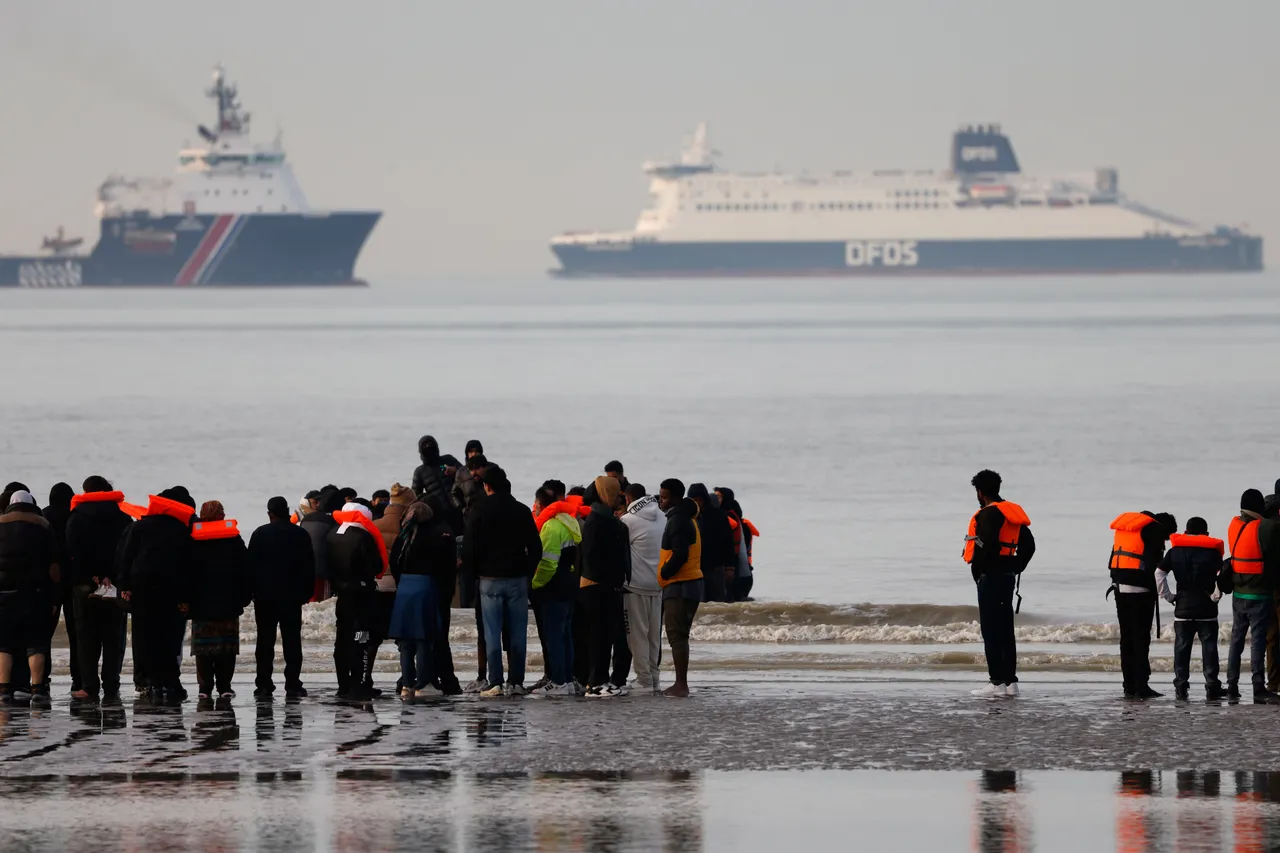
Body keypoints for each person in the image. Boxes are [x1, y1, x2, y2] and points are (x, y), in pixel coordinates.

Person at [462, 466, 541, 697]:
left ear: (487, 486)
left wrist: (474, 575)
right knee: (518, 633)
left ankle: (495, 681)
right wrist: (528, 572)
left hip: (489, 580)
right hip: (517, 579)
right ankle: (516, 682)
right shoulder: (521, 510)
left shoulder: (478, 510)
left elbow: (468, 549)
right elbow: (536, 547)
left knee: (491, 631)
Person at [115, 489, 195, 703]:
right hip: (172, 592)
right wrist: (187, 597)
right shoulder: (181, 530)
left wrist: (124, 587)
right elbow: (189, 568)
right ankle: (170, 683)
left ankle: (149, 683)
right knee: (169, 638)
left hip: (141, 591)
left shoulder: (138, 526)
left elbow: (124, 559)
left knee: (144, 638)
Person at [964, 470, 1034, 699]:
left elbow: (987, 545)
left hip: (991, 578)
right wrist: (1015, 565)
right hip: (1007, 576)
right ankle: (1010, 682)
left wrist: (979, 571)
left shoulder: (989, 514)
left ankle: (996, 683)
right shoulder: (1010, 512)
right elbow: (1029, 545)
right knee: (1005, 630)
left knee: (991, 630)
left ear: (980, 492)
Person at [65, 477, 133, 701]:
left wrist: (92, 575)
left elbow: (73, 552)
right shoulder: (123, 518)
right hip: (115, 585)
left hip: (85, 585)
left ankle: (89, 686)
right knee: (114, 637)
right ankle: (112, 685)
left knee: (86, 637)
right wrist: (111, 577)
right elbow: (127, 553)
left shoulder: (76, 518)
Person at [247, 496, 315, 699]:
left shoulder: (260, 534)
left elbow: (250, 566)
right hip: (292, 598)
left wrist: (251, 592)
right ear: (287, 511)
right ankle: (293, 684)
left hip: (265, 598)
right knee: (292, 642)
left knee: (265, 643)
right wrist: (306, 593)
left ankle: (264, 685)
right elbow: (309, 567)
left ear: (270, 513)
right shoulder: (300, 534)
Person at [1155, 517, 1226, 701]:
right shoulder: (1212, 553)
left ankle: (1181, 687)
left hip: (1183, 610)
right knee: (1209, 648)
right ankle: (1212, 686)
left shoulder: (1175, 551)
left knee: (1181, 648)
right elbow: (1223, 576)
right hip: (1207, 610)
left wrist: (1169, 596)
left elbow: (1159, 573)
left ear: (1185, 533)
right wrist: (1215, 596)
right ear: (1206, 535)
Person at [388, 498, 453, 699]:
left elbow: (394, 565)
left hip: (405, 588)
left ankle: (407, 683)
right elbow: (444, 569)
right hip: (425, 588)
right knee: (424, 638)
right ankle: (423, 683)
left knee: (406, 640)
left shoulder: (402, 538)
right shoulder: (436, 537)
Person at [1108, 508, 1176, 700]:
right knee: (1140, 639)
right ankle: (1142, 685)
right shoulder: (1154, 530)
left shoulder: (1128, 528)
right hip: (1140, 591)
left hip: (1119, 588)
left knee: (1127, 639)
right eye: (1167, 538)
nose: (1165, 542)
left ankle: (1128, 685)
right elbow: (1154, 567)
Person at [0, 491, 59, 707]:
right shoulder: (43, 525)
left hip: (3, 593)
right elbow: (53, 567)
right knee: (36, 644)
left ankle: (4, 689)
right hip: (36, 593)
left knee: (3, 644)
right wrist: (54, 596)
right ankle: (37, 689)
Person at [189, 502, 251, 700]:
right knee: (226, 649)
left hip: (200, 604)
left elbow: (184, 571)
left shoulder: (193, 540)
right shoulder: (233, 539)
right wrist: (245, 597)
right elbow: (245, 569)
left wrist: (185, 599)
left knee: (203, 650)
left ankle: (204, 688)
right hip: (228, 603)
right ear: (222, 516)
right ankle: (225, 686)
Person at [578, 477, 632, 698]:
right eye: (616, 492)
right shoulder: (598, 520)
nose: (619, 496)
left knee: (604, 635)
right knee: (599, 636)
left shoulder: (603, 517)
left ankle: (599, 680)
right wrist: (610, 579)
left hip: (603, 585)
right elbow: (591, 557)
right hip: (597, 586)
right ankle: (595, 683)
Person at [327, 502, 386, 699]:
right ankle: (358, 683)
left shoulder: (333, 534)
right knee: (361, 637)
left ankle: (342, 685)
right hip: (362, 596)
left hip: (342, 596)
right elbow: (376, 566)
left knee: (341, 639)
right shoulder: (363, 537)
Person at [1226, 490, 1280, 703]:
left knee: (1236, 640)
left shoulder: (1234, 525)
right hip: (1259, 594)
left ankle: (1232, 684)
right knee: (1258, 640)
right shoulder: (1266, 527)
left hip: (1238, 593)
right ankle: (1258, 686)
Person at [530, 484, 581, 696]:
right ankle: (568, 680)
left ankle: (558, 682)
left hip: (554, 587)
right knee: (566, 635)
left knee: (554, 637)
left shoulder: (551, 527)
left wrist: (534, 584)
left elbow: (548, 563)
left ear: (541, 505)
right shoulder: (571, 523)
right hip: (570, 583)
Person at [658, 479, 703, 698]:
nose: (661, 501)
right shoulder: (687, 518)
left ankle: (680, 685)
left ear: (675, 498)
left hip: (681, 585)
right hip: (689, 583)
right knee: (679, 635)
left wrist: (664, 573)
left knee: (677, 636)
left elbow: (680, 554)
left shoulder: (678, 520)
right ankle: (680, 683)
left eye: (664, 497)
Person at [621, 483, 665, 694]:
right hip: (658, 584)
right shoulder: (662, 517)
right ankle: (654, 678)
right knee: (653, 635)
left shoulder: (627, 521)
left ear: (628, 499)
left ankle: (644, 679)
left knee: (637, 635)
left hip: (635, 586)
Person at [43, 483, 77, 694]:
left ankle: (43, 676)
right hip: (73, 580)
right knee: (77, 633)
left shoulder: (43, 517)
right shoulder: (76, 517)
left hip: (50, 583)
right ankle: (78, 677)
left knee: (45, 633)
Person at [688, 484, 734, 604]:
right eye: (694, 500)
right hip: (695, 569)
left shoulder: (718, 516)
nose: (698, 503)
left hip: (716, 569)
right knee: (697, 603)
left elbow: (728, 542)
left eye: (700, 500)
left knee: (718, 604)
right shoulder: (686, 517)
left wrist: (730, 567)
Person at [300, 489, 343, 602]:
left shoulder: (305, 519)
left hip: (303, 569)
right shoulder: (332, 521)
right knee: (321, 602)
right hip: (321, 570)